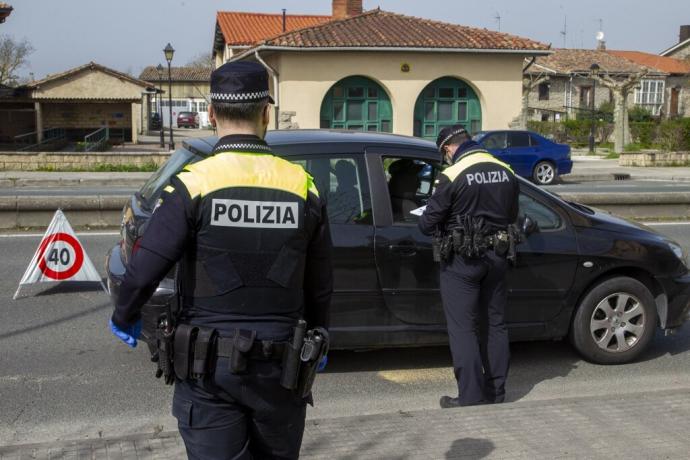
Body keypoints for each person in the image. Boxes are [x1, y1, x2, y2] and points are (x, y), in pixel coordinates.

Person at [109, 60, 333, 459]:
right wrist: (321, 334)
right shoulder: (304, 187)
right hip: (282, 371)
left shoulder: (193, 184)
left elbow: (145, 267)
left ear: (211, 114)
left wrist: (123, 314)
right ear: (267, 111)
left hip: (208, 371)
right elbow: (320, 283)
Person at [418, 125, 519, 408]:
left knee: (463, 328)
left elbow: (427, 224)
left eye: (444, 153)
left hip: (462, 261)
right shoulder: (506, 169)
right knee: (495, 324)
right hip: (498, 256)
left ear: (448, 148)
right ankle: (497, 392)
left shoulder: (451, 175)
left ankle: (472, 396)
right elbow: (512, 214)